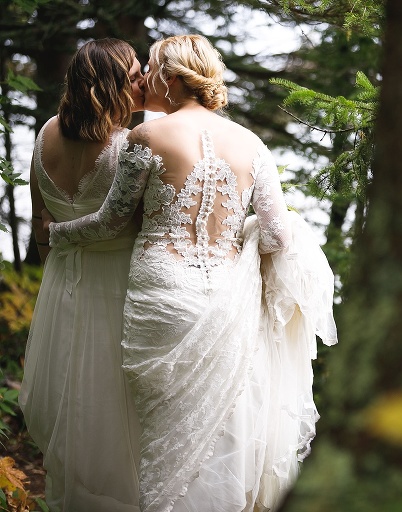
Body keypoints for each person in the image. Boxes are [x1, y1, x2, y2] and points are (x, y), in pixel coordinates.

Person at [45, 34, 337, 512]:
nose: (142, 78)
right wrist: (239, 243)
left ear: (174, 79)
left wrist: (59, 234)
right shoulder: (252, 144)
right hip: (225, 296)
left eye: (151, 69)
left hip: (160, 294)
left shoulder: (146, 137)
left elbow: (112, 222)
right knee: (218, 428)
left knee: (157, 432)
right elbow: (279, 238)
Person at [19, 38, 145, 512]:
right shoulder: (127, 145)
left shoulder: (47, 133)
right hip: (118, 281)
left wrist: (53, 250)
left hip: (63, 279)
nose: (140, 82)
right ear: (112, 83)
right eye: (133, 74)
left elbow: (40, 222)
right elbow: (136, 222)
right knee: (115, 401)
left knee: (73, 388)